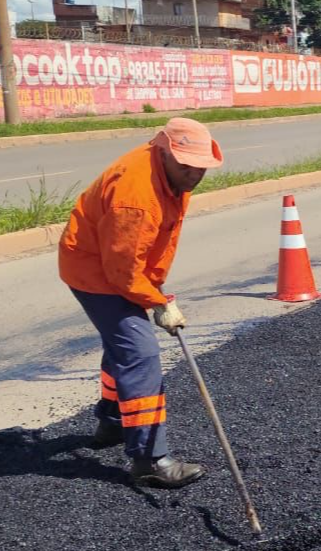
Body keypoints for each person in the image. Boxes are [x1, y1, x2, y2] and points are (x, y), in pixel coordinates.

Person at [58, 117, 224, 489]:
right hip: (94, 270)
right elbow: (120, 271)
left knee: (122, 344)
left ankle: (113, 423)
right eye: (186, 165)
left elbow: (141, 252)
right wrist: (157, 301)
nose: (195, 173)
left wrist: (153, 288)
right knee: (141, 352)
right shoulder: (135, 198)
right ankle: (150, 459)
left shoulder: (170, 172)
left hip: (114, 265)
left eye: (201, 167)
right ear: (163, 150)